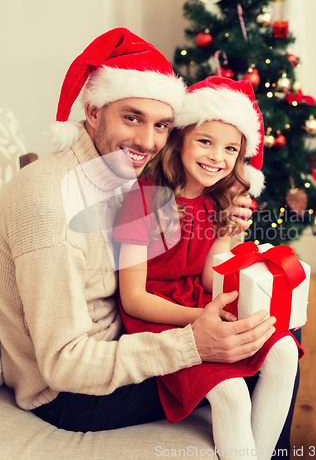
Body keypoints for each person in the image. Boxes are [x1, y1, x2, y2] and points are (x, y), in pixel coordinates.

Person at [0, 28, 276, 434]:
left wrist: (226, 218)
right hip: (72, 394)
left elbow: (186, 197)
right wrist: (192, 343)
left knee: (275, 333)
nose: (148, 141)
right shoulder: (49, 204)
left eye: (162, 125)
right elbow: (64, 364)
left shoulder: (122, 170)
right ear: (93, 111)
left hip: (122, 333)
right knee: (250, 362)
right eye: (132, 118)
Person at [112, 77, 304, 459]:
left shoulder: (218, 198)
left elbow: (207, 278)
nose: (218, 157)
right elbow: (133, 299)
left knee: (284, 349)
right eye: (205, 141)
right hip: (160, 316)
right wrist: (200, 318)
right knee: (231, 393)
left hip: (201, 299)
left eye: (230, 148)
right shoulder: (143, 200)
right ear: (180, 138)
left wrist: (228, 233)